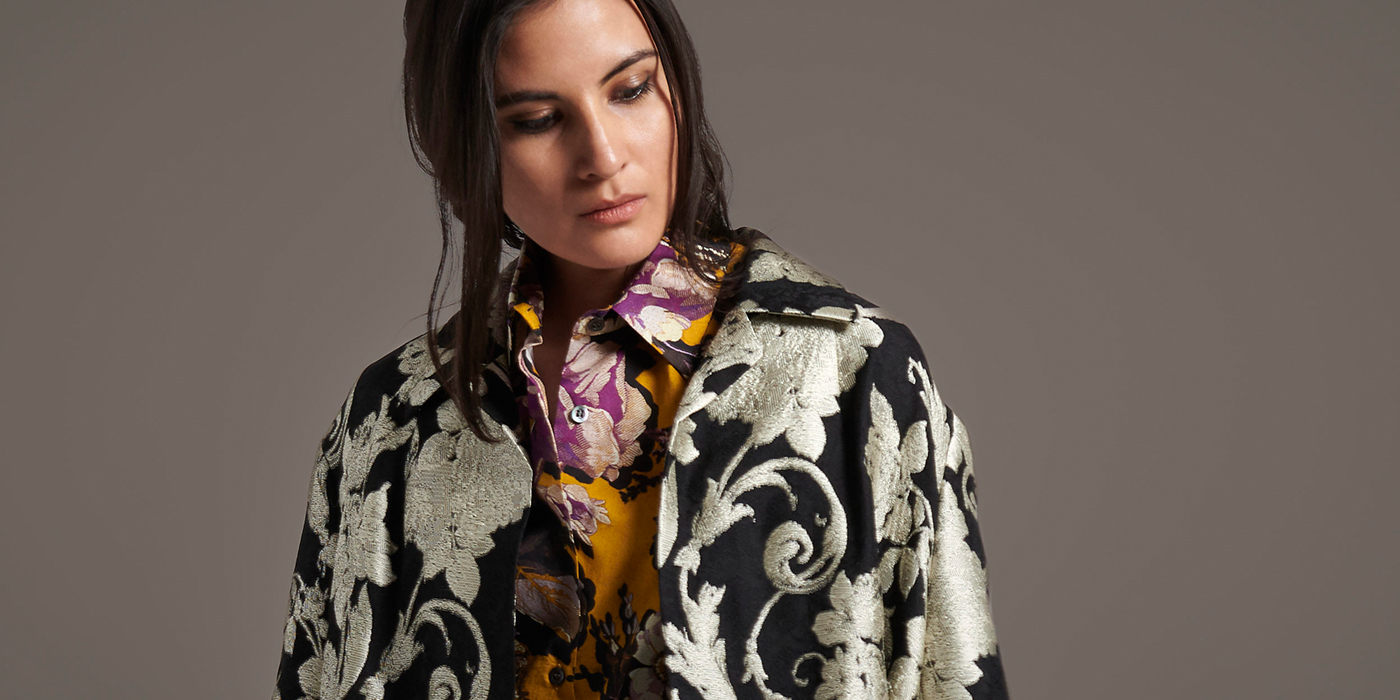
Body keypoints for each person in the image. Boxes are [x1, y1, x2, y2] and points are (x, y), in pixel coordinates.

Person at [272, 0, 1010, 698]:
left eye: (630, 90)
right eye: (537, 120)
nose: (602, 155)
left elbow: (950, 672)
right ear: (460, 145)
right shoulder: (392, 421)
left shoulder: (850, 372)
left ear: (675, 88)